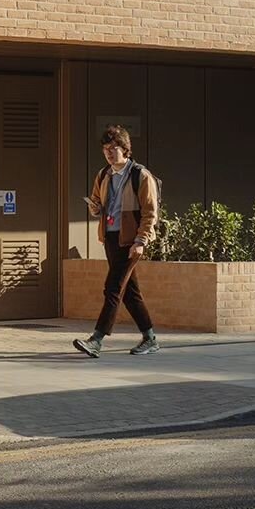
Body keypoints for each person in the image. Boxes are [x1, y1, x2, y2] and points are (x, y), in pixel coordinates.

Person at [73, 125, 160, 358]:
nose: (109, 153)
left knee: (112, 288)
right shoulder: (104, 174)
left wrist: (141, 240)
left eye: (113, 148)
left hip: (130, 241)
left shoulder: (140, 175)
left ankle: (97, 340)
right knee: (129, 291)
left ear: (125, 149)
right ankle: (150, 338)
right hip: (111, 238)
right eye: (105, 149)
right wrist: (95, 208)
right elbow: (96, 202)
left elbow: (150, 213)